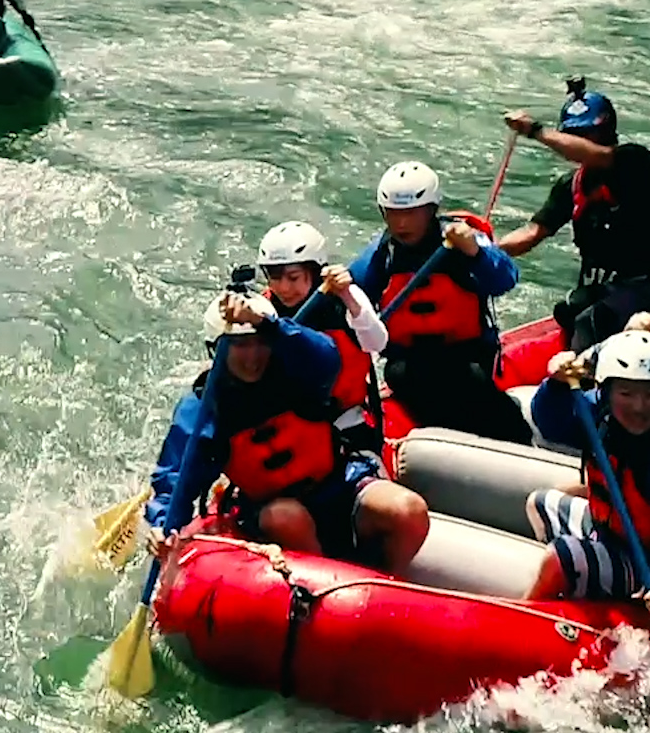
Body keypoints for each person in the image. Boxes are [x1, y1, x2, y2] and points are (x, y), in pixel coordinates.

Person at [144, 291, 430, 574]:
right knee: (289, 517)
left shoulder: (299, 373)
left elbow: (327, 354)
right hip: (269, 508)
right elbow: (176, 478)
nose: (253, 356)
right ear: (215, 350)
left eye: (260, 343)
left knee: (409, 511)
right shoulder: (203, 409)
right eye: (240, 346)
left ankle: (389, 581)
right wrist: (163, 525)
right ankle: (330, 588)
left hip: (336, 483)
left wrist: (267, 322)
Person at [521, 330, 650, 619]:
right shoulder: (601, 411)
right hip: (612, 534)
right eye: (626, 393)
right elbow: (552, 424)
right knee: (540, 502)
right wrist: (555, 386)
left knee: (561, 557)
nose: (639, 407)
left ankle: (528, 613)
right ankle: (579, 590)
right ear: (606, 392)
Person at [495, 78, 650, 352]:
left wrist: (536, 131)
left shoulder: (635, 163)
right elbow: (534, 231)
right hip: (605, 291)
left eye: (587, 135)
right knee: (570, 311)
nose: (577, 143)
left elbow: (600, 157)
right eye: (573, 135)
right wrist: (485, 249)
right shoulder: (572, 185)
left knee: (592, 319)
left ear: (605, 133)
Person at [344, 160, 532, 444]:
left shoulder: (461, 240)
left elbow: (505, 279)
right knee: (419, 379)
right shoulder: (383, 254)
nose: (401, 223)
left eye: (410, 213)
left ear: (431, 210)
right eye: (393, 213)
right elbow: (354, 301)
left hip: (466, 358)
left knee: (479, 394)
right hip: (407, 365)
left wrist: (475, 253)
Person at [254, 221, 389, 458]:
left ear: (315, 272)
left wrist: (347, 296)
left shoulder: (344, 297)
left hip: (343, 419)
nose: (284, 287)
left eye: (293, 277)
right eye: (275, 277)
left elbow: (377, 343)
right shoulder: (262, 309)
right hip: (288, 421)